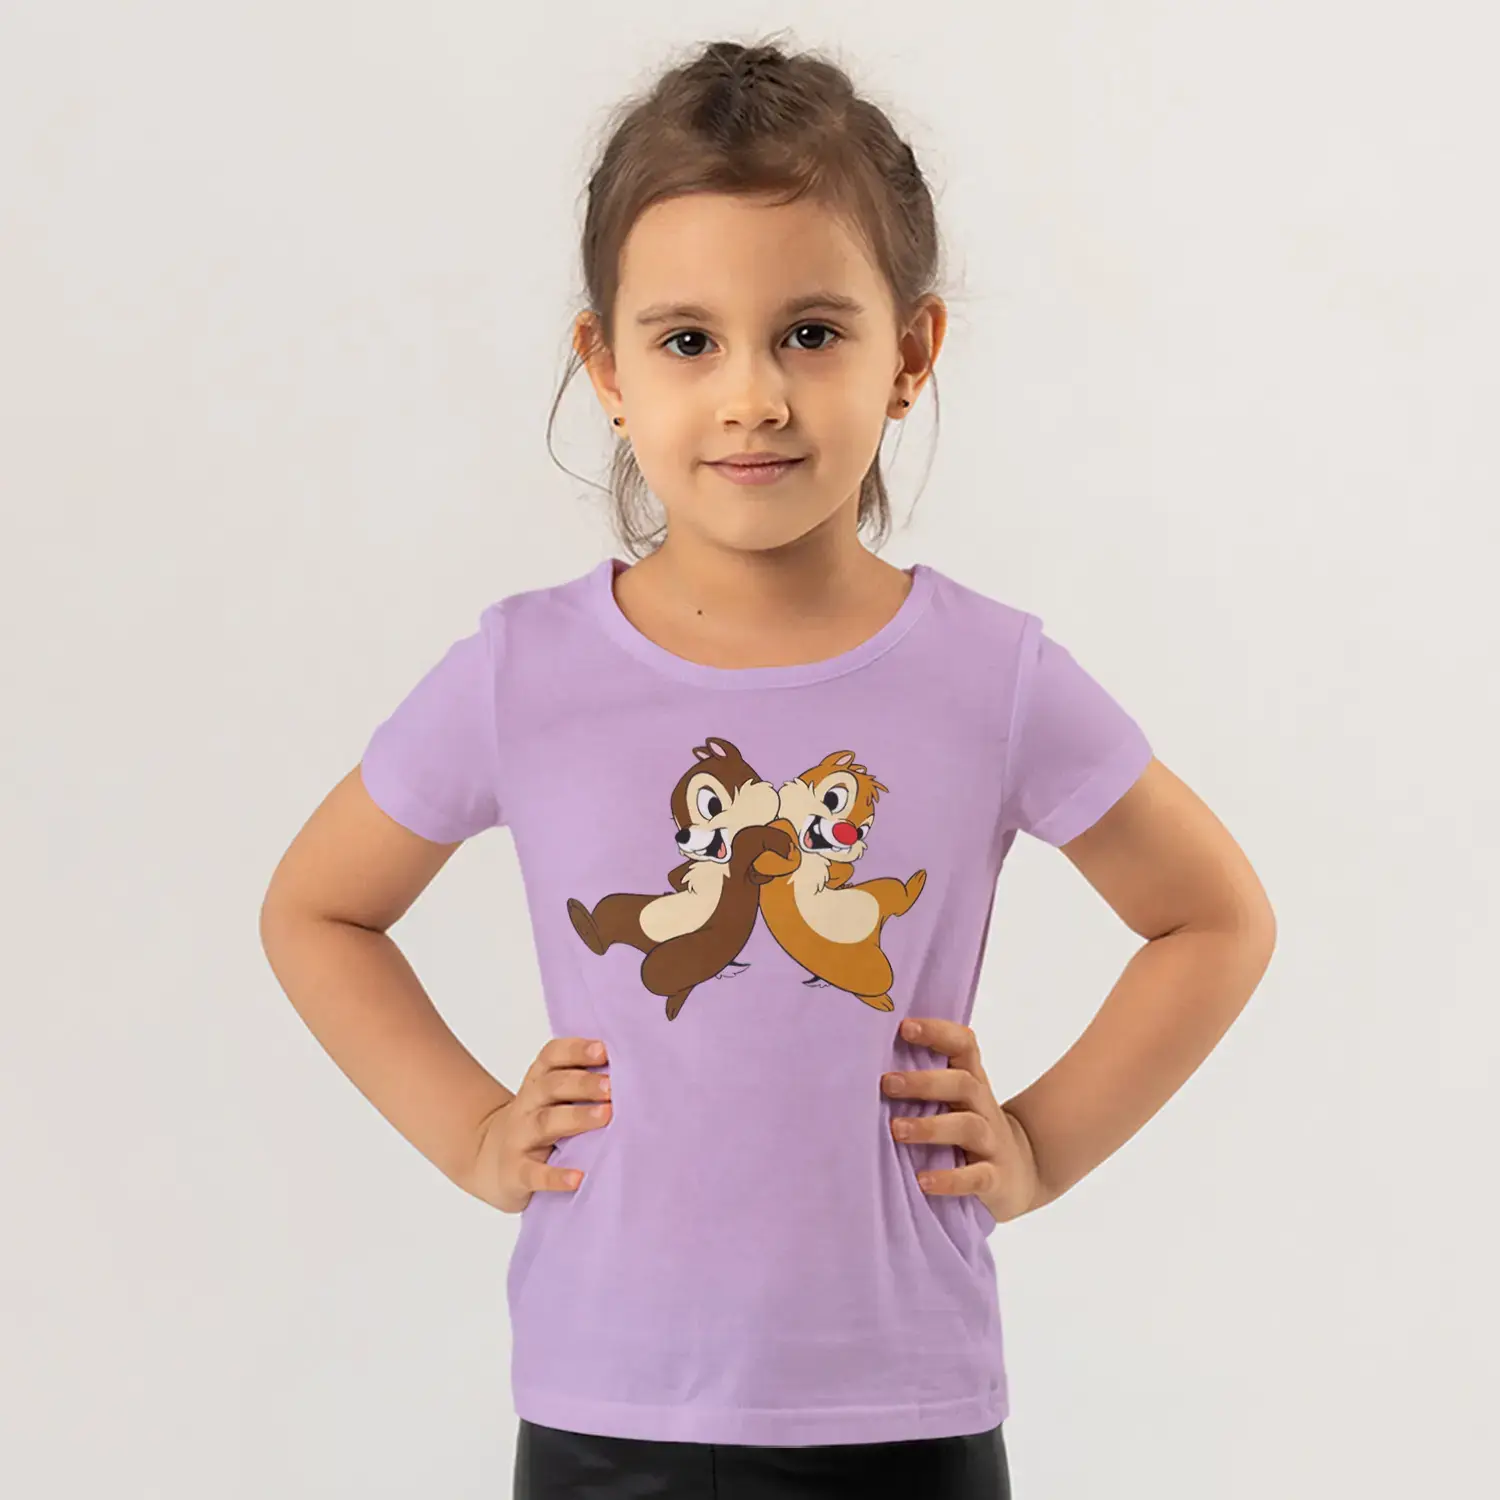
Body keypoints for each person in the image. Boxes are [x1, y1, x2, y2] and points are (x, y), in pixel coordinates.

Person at [258, 34, 1277, 1500]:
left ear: (910, 354)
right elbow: (317, 909)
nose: (752, 396)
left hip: (903, 1412)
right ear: (605, 368)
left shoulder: (991, 676)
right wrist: (474, 1133)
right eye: (689, 340)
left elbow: (1213, 917)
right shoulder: (521, 672)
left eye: (808, 331)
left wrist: (1039, 1148)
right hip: (607, 1406)